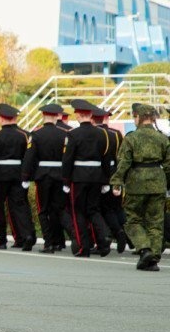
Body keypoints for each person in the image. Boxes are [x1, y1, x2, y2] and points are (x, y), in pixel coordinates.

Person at [110, 103, 170, 271]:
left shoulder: (131, 138)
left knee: (133, 219)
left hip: (136, 182)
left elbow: (124, 163)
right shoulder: (162, 138)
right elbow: (168, 165)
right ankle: (153, 259)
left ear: (138, 117)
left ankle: (144, 249)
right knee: (156, 222)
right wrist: (166, 182)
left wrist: (117, 182)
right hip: (157, 182)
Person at [62, 100, 113, 257]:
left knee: (78, 213)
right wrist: (106, 180)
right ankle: (104, 237)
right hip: (97, 177)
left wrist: (65, 181)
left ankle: (84, 247)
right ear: (91, 115)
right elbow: (106, 158)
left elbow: (67, 159)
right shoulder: (102, 134)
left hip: (78, 177)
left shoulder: (73, 134)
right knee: (93, 209)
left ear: (78, 115)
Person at [0, 103, 34, 250]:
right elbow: (28, 158)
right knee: (19, 206)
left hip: (0, 176)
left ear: (1, 119)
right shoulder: (25, 135)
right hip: (18, 174)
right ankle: (27, 236)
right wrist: (27, 176)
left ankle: (2, 241)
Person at [21, 104, 69, 253]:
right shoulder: (65, 134)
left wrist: (25, 176)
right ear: (56, 117)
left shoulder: (36, 134)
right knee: (57, 209)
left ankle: (48, 243)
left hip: (42, 175)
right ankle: (59, 241)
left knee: (43, 210)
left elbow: (30, 157)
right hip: (60, 174)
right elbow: (67, 157)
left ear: (43, 116)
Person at [93, 107, 129, 253]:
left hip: (104, 175)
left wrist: (104, 180)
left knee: (104, 209)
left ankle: (117, 233)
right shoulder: (116, 134)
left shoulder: (98, 134)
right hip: (116, 174)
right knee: (117, 207)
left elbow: (102, 158)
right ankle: (129, 236)